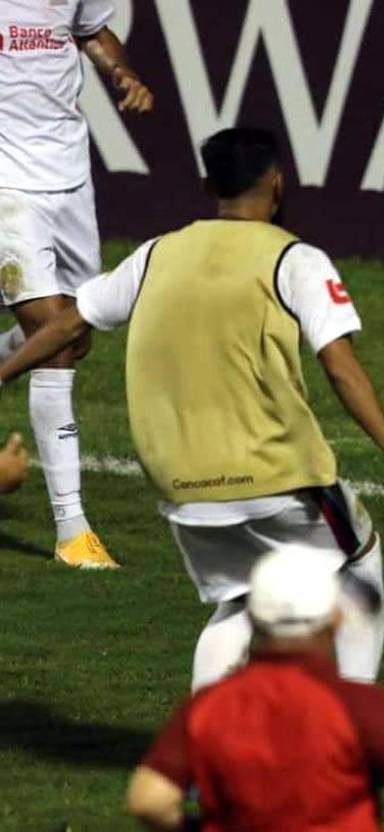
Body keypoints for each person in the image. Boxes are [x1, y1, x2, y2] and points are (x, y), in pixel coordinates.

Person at [0, 127, 384, 690]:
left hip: (181, 487)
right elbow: (340, 368)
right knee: (359, 560)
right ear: (278, 183)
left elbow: (67, 325)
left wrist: (2, 373)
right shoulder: (295, 259)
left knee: (241, 598)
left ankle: (205, 730)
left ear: (209, 187)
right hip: (277, 475)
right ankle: (352, 717)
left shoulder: (156, 253)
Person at [126, 548, 384, 831]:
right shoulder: (358, 706)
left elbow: (150, 800)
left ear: (252, 618)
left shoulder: (208, 706)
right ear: (335, 619)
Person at [0, 0, 154, 567]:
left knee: (76, 332)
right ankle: (73, 532)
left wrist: (122, 72)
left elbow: (93, 32)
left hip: (67, 175)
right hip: (6, 183)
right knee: (54, 337)